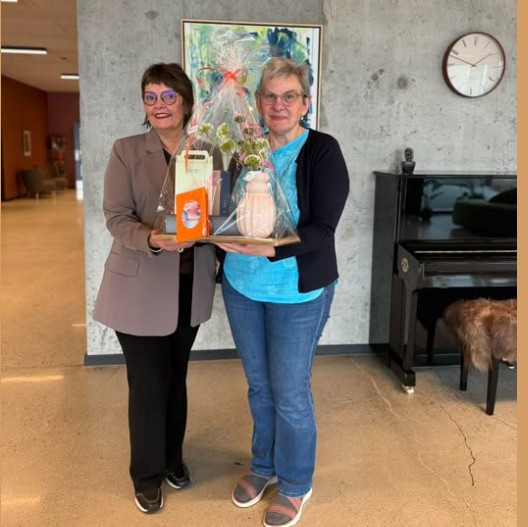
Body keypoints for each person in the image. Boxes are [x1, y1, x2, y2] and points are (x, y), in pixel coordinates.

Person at [217, 57, 350, 527]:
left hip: (297, 292)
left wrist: (271, 249)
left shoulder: (322, 151)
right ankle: (264, 465)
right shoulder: (244, 150)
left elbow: (323, 230)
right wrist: (211, 231)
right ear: (258, 102)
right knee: (259, 385)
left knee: (289, 390)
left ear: (305, 103)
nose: (279, 104)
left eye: (289, 96)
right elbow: (225, 210)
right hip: (241, 286)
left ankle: (295, 483)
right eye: (270, 96)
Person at [93, 63, 217, 514]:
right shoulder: (127, 151)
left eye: (168, 96)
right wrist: (151, 238)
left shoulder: (207, 152)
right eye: (151, 97)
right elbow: (116, 217)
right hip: (140, 288)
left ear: (186, 102)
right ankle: (146, 476)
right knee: (147, 383)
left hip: (188, 289)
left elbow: (215, 214)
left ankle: (172, 459)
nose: (159, 105)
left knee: (175, 377)